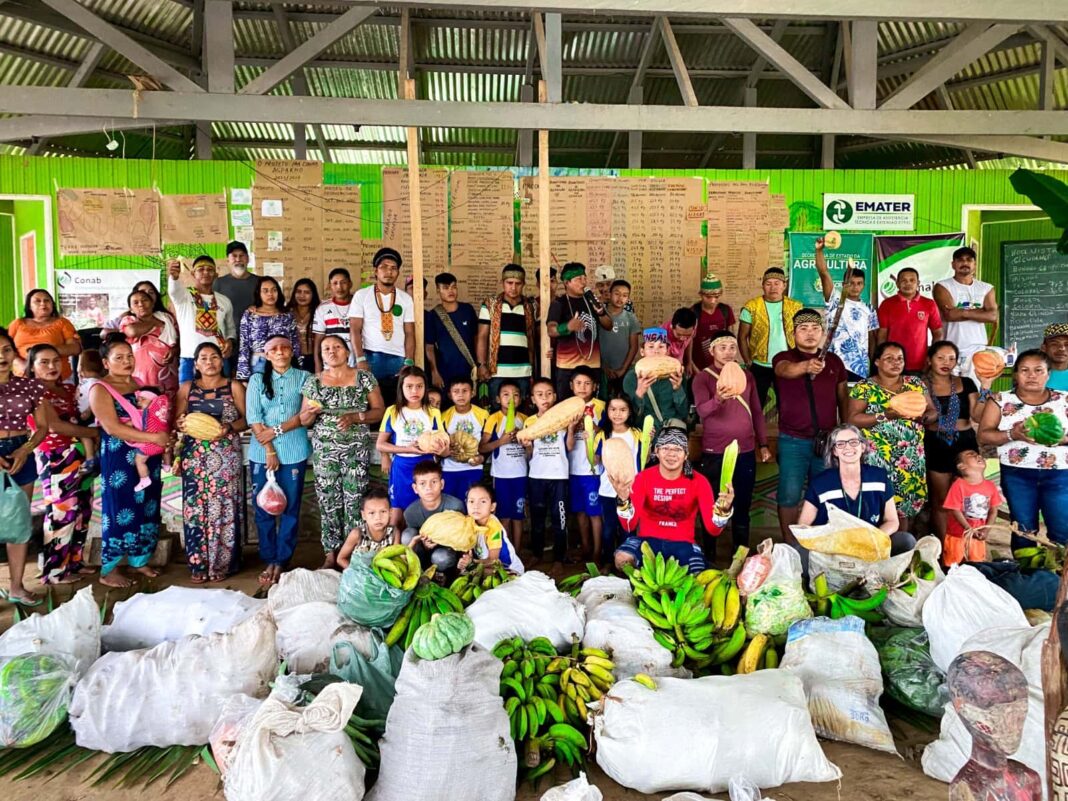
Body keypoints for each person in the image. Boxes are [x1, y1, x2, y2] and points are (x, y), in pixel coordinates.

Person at [90, 335, 169, 588]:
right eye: (119, 358)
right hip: (119, 457)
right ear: (106, 362)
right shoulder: (100, 389)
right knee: (119, 507)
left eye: (129, 356)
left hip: (146, 453)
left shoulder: (137, 383)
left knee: (147, 503)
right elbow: (112, 428)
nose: (126, 361)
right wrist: (154, 437)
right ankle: (109, 568)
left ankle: (139, 559)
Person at [302, 335, 385, 567]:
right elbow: (303, 419)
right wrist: (311, 413)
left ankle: (353, 551)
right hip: (325, 450)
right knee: (328, 499)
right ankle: (331, 552)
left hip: (356, 450)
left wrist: (356, 417)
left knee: (355, 499)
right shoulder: (314, 382)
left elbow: (379, 411)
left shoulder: (364, 378)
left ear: (347, 352)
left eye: (337, 347)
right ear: (320, 355)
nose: (331, 351)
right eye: (326, 348)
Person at [614, 424, 735, 574]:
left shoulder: (699, 481)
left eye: (678, 449)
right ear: (656, 452)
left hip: (683, 544)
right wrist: (623, 501)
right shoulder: (643, 478)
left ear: (686, 454)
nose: (671, 454)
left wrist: (723, 510)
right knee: (622, 559)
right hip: (647, 541)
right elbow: (628, 526)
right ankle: (641, 588)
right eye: (665, 448)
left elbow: (713, 530)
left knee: (696, 575)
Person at [173, 341, 247, 583]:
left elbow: (246, 419)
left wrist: (228, 428)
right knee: (196, 509)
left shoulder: (233, 386)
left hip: (225, 455)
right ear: (195, 364)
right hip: (194, 457)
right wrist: (181, 424)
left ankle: (222, 564)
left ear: (221, 361)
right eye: (203, 358)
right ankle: (198, 565)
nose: (209, 362)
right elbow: (177, 420)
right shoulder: (186, 388)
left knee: (223, 508)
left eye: (214, 357)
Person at [979, 349, 1068, 547]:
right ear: (1016, 374)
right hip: (1017, 475)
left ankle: (1060, 575)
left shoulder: (1064, 400)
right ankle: (1027, 575)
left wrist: (1062, 439)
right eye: (1024, 370)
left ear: (1048, 373)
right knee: (1023, 529)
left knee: (1063, 529)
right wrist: (1013, 434)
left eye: (1038, 370)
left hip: (1060, 475)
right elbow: (984, 435)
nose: (1031, 376)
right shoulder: (1000, 400)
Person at [773, 308, 848, 541]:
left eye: (815, 328)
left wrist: (843, 432)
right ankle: (790, 545)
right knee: (789, 496)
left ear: (823, 333)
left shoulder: (834, 361)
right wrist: (806, 367)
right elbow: (785, 371)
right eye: (803, 329)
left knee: (825, 494)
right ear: (792, 334)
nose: (810, 333)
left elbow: (843, 398)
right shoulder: (784, 358)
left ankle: (820, 543)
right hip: (792, 441)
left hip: (826, 441)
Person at [692, 331, 770, 553]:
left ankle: (740, 555)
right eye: (722, 347)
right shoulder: (703, 378)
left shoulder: (748, 376)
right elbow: (702, 411)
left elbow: (756, 411)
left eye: (732, 347)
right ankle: (709, 556)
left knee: (742, 504)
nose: (728, 352)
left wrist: (762, 443)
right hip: (714, 451)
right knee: (712, 504)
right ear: (712, 351)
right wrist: (718, 399)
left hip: (745, 450)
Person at [796, 424, 912, 572]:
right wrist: (833, 542)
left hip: (870, 547)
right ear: (834, 451)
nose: (848, 447)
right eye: (840, 444)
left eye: (853, 442)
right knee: (799, 551)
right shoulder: (820, 483)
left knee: (905, 541)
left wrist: (869, 539)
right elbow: (803, 526)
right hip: (833, 551)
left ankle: (887, 583)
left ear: (863, 447)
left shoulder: (879, 477)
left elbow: (892, 521)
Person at [848, 340, 938, 531]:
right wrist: (886, 415)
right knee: (875, 505)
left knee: (903, 508)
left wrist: (925, 417)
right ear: (877, 362)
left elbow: (932, 411)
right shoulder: (864, 387)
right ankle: (874, 552)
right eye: (889, 358)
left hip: (909, 458)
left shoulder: (914, 384)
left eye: (900, 359)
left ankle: (900, 550)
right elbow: (853, 419)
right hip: (877, 458)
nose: (896, 362)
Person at [26, 344, 98, 585]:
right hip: (54, 454)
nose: (52, 366)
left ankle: (74, 562)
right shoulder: (34, 391)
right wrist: (94, 433)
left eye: (56, 361)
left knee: (82, 509)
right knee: (61, 511)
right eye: (44, 362)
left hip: (78, 452)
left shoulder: (68, 388)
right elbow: (57, 426)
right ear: (32, 367)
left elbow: (81, 415)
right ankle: (55, 571)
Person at [245, 336, 308, 586]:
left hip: (294, 452)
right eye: (273, 349)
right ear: (266, 355)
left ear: (291, 352)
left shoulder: (305, 378)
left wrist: (277, 431)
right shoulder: (257, 379)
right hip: (262, 454)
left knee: (290, 509)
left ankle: (282, 560)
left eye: (284, 348)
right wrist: (269, 448)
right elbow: (254, 416)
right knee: (264, 507)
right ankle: (269, 557)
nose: (280, 352)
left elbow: (305, 416)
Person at [924, 340, 993, 542]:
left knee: (969, 497)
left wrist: (986, 387)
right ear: (929, 360)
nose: (947, 362)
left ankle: (969, 544)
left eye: (952, 358)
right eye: (940, 358)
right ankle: (944, 548)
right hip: (935, 443)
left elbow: (978, 416)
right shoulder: (919, 384)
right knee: (942, 501)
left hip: (965, 443)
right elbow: (920, 416)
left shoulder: (967, 382)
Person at [0, 331, 49, 604]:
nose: (1, 356)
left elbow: (42, 427)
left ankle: (16, 587)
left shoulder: (30, 387)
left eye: (7, 350)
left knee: (17, 522)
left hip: (20, 453)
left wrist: (25, 449)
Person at [377, 366, 445, 530]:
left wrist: (442, 449)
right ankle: (395, 552)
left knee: (427, 508)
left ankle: (424, 550)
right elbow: (380, 444)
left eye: (419, 386)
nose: (414, 390)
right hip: (402, 467)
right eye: (409, 386)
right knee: (397, 513)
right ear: (401, 388)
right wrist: (407, 449)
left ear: (425, 388)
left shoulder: (433, 412)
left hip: (427, 466)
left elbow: (443, 442)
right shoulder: (393, 411)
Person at [350, 247, 416, 408]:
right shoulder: (362, 295)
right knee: (368, 406)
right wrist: (360, 359)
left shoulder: (405, 299)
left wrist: (408, 361)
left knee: (396, 407)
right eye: (384, 267)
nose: (389, 272)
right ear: (375, 271)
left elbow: (409, 333)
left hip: (398, 360)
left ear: (398, 273)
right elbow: (355, 330)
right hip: (371, 358)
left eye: (394, 268)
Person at [524, 377, 573, 570]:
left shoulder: (563, 418)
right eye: (540, 395)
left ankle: (559, 559)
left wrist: (570, 428)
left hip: (559, 475)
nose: (545, 398)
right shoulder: (529, 421)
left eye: (549, 394)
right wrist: (527, 446)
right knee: (537, 518)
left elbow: (569, 447)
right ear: (533, 399)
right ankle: (537, 554)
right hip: (536, 475)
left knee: (559, 519)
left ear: (555, 396)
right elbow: (529, 454)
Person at [814, 238, 878, 381]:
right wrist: (819, 250)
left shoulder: (868, 308)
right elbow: (823, 273)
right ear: (843, 284)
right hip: (833, 360)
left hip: (859, 366)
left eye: (859, 283)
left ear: (863, 285)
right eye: (851, 283)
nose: (855, 287)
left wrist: (872, 362)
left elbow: (873, 337)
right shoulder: (835, 299)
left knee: (853, 401)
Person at [738, 267, 803, 408]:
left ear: (784, 285)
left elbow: (802, 335)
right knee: (755, 404)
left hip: (787, 364)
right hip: (759, 364)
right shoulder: (752, 307)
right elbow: (742, 337)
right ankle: (753, 431)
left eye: (777, 283)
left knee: (787, 405)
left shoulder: (796, 307)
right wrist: (748, 361)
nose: (773, 287)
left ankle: (786, 430)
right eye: (768, 283)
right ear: (763, 285)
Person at [547, 263, 613, 400]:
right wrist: (567, 327)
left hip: (592, 364)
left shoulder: (591, 300)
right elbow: (551, 330)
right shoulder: (559, 303)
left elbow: (609, 325)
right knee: (567, 407)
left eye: (584, 278)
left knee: (594, 406)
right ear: (567, 282)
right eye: (578, 279)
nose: (583, 282)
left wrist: (600, 312)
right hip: (567, 366)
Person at [167, 255, 236, 383]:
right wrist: (174, 277)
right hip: (190, 358)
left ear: (216, 274)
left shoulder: (224, 301)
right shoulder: (184, 296)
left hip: (218, 358)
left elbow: (231, 329)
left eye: (210, 269)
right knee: (187, 398)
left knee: (222, 398)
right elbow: (173, 291)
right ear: (193, 274)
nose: (205, 272)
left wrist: (230, 342)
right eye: (200, 269)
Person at [479, 379, 527, 555]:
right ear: (498, 399)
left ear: (520, 399)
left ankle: (518, 553)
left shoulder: (524, 420)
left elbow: (531, 449)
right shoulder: (494, 419)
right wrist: (501, 441)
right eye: (506, 395)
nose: (511, 399)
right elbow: (482, 447)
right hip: (501, 475)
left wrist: (523, 442)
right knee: (504, 516)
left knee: (518, 515)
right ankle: (505, 552)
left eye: (515, 395)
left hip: (520, 474)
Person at [478, 264, 538, 402]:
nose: (513, 287)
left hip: (523, 370)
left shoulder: (530, 306)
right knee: (497, 410)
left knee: (521, 412)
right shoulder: (490, 305)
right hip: (497, 371)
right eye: (509, 283)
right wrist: (481, 365)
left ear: (523, 284)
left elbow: (534, 337)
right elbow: (482, 337)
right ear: (502, 283)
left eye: (518, 284)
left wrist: (533, 368)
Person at [933, 246, 997, 372]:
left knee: (975, 389)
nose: (965, 263)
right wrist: (981, 311)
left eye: (969, 260)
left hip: (978, 349)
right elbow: (950, 316)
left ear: (974, 264)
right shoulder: (942, 286)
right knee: (950, 389)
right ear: (953, 264)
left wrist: (962, 312)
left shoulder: (986, 288)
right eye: (960, 260)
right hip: (950, 348)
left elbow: (993, 316)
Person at [566, 367, 605, 561]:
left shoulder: (602, 407)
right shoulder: (565, 407)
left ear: (595, 386)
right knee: (580, 512)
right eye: (578, 383)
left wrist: (593, 427)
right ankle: (586, 547)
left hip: (593, 470)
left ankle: (598, 550)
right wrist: (573, 428)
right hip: (573, 469)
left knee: (594, 512)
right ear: (571, 386)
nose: (582, 387)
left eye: (587, 383)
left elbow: (610, 433)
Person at [596, 394, 641, 563]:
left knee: (628, 529)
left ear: (630, 412)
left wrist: (649, 441)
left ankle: (626, 565)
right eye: (613, 409)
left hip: (631, 490)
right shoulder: (603, 435)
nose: (617, 414)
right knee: (608, 529)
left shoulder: (637, 434)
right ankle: (607, 562)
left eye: (623, 410)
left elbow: (643, 459)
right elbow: (596, 461)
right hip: (608, 490)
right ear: (607, 411)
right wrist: (589, 442)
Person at [400, 460, 466, 571]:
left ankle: (444, 575)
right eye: (422, 483)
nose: (428, 487)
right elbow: (413, 542)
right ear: (415, 488)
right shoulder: (411, 512)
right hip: (422, 551)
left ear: (442, 484)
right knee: (407, 535)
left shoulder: (455, 506)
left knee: (441, 557)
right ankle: (418, 571)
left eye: (434, 482)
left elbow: (460, 536)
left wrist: (440, 540)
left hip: (445, 550)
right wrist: (425, 546)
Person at [876, 267, 944, 373]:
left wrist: (931, 356)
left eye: (912, 280)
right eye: (904, 280)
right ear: (897, 284)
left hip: (920, 364)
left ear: (918, 283)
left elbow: (938, 333)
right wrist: (881, 359)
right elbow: (882, 335)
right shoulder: (887, 304)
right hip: (893, 364)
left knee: (917, 390)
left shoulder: (929, 304)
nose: (908, 284)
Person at [942, 449, 1002, 567]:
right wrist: (969, 529)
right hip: (957, 536)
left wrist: (986, 531)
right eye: (971, 455)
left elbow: (993, 511)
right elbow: (955, 510)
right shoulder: (958, 485)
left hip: (978, 537)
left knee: (977, 566)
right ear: (962, 466)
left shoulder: (990, 486)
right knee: (952, 567)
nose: (978, 456)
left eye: (978, 454)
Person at [623, 327, 689, 434]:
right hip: (645, 436)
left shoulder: (676, 374)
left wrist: (678, 390)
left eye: (661, 346)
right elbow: (627, 418)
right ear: (642, 351)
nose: (656, 351)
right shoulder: (631, 378)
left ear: (667, 351)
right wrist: (639, 394)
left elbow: (684, 413)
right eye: (650, 346)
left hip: (671, 436)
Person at [237, 276, 300, 380]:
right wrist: (243, 376)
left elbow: (295, 344)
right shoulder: (249, 315)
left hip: (283, 362)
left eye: (274, 290)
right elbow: (244, 345)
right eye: (265, 291)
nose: (270, 294)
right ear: (259, 293)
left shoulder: (287, 315)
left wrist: (298, 368)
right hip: (258, 363)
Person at [8, 289, 81, 380]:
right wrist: (21, 364)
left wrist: (45, 353)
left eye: (46, 300)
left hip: (58, 377)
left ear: (52, 304)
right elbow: (6, 348)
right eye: (37, 301)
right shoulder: (17, 324)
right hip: (22, 377)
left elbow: (75, 348)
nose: (43, 303)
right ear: (29, 306)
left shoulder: (62, 323)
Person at [116, 288, 178, 394]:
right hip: (140, 375)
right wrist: (154, 323)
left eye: (144, 300)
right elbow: (132, 332)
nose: (141, 304)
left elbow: (178, 341)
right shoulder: (129, 320)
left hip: (166, 373)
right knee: (142, 404)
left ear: (152, 304)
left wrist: (174, 350)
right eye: (135, 303)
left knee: (167, 405)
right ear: (131, 309)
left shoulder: (166, 319)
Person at [425, 272, 479, 391]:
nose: (451, 291)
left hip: (469, 369)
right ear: (438, 290)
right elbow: (429, 347)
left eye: (453, 287)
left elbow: (477, 339)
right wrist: (435, 372)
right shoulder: (433, 316)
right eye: (445, 288)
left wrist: (479, 365)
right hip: (445, 371)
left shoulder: (468, 310)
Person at [457, 483, 524, 574]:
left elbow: (493, 561)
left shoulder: (493, 527)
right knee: (464, 571)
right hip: (484, 563)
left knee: (473, 571)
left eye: (483, 501)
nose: (476, 506)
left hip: (506, 569)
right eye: (471, 501)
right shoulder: (469, 521)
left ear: (492, 507)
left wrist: (472, 563)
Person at [440, 377, 487, 500]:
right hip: (449, 468)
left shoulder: (483, 415)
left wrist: (482, 457)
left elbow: (488, 441)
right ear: (450, 395)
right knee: (451, 505)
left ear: (472, 393)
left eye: (465, 391)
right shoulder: (444, 416)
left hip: (473, 467)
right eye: (456, 391)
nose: (461, 395)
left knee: (470, 504)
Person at [214, 240, 258, 369]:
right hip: (226, 341)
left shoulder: (259, 282)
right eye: (234, 256)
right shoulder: (218, 283)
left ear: (248, 258)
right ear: (228, 260)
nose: (238, 259)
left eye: (242, 255)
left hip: (254, 341)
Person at [599, 280, 641, 396]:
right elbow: (594, 343)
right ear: (610, 294)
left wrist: (623, 369)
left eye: (625, 295)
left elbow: (634, 347)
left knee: (625, 401)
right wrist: (604, 367)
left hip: (625, 370)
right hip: (602, 369)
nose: (620, 298)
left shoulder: (631, 318)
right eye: (617, 293)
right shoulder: (600, 316)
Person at [689, 273, 736, 374]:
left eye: (716, 296)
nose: (712, 301)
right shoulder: (694, 312)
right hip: (698, 364)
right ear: (701, 295)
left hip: (722, 365)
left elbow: (731, 337)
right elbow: (689, 340)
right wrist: (690, 363)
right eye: (708, 297)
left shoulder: (725, 310)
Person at [337, 487, 394, 568]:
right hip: (358, 576)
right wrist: (357, 573)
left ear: (390, 512)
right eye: (372, 513)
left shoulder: (394, 533)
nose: (378, 517)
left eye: (383, 511)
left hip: (383, 576)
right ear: (363, 515)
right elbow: (341, 559)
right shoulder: (357, 534)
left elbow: (396, 558)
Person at [313, 268, 355, 371]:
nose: (339, 287)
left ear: (350, 284)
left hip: (357, 365)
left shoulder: (360, 304)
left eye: (343, 282)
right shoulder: (322, 308)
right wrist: (318, 369)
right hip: (330, 367)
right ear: (329, 286)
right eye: (335, 283)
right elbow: (318, 342)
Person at [286, 278, 320, 374]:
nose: (302, 295)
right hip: (291, 359)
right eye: (299, 291)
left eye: (307, 292)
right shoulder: (287, 312)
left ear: (313, 295)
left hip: (313, 359)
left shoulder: (320, 311)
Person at [1042, 322, 1068, 391]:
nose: (1062, 348)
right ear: (1044, 348)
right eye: (1054, 344)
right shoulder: (1032, 375)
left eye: (1067, 344)